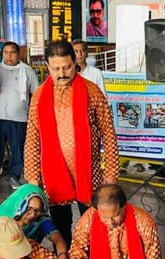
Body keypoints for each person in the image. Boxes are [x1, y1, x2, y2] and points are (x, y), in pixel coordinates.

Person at [24, 40, 119, 246]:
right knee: (60, 227)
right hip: (54, 175)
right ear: (47, 66)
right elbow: (32, 139)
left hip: (89, 174)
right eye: (56, 69)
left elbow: (109, 134)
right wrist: (33, 179)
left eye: (66, 67)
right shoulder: (40, 96)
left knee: (94, 227)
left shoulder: (92, 91)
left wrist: (111, 175)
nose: (62, 73)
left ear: (75, 61)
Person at [0, 41, 40, 190]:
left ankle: (14, 176)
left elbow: (37, 94)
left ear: (18, 54)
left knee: (18, 149)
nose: (8, 56)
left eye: (12, 53)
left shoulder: (27, 71)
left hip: (19, 118)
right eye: (5, 53)